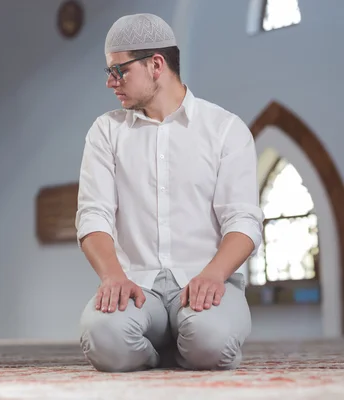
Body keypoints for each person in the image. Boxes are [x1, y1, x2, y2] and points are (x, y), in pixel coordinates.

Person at [75, 13, 264, 372]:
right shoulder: (105, 132)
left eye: (119, 70)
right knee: (103, 339)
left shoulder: (225, 129)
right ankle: (160, 352)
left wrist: (213, 274)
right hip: (136, 287)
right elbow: (93, 214)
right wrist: (113, 276)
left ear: (156, 65)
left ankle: (184, 339)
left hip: (206, 282)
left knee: (211, 343)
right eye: (108, 72)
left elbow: (243, 220)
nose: (111, 82)